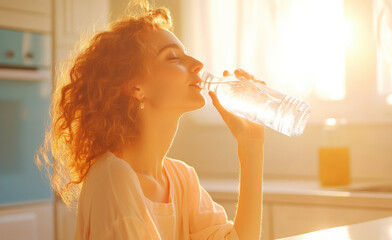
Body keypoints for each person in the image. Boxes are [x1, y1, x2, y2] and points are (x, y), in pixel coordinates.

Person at [37, 0, 264, 239]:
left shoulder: (181, 178)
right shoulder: (112, 176)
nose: (198, 65)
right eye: (173, 58)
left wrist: (251, 144)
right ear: (134, 87)